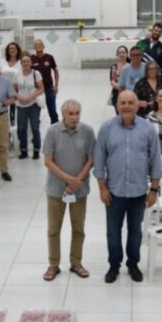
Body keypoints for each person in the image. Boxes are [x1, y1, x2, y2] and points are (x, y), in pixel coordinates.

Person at [94, 91, 162, 283]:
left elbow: (156, 159)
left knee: (135, 232)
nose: (126, 106)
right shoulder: (106, 128)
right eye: (122, 102)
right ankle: (114, 266)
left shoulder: (148, 129)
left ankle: (133, 264)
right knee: (113, 232)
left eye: (130, 103)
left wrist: (154, 189)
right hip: (114, 192)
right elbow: (99, 159)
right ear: (116, 105)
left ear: (137, 105)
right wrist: (102, 188)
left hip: (139, 191)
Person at [42, 100, 95, 281]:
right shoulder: (52, 132)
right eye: (70, 114)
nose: (74, 117)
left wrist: (77, 181)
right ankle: (53, 265)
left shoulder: (87, 132)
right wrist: (68, 179)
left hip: (79, 190)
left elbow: (91, 160)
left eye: (77, 113)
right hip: (56, 189)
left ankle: (76, 262)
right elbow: (48, 161)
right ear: (63, 114)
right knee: (53, 229)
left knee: (78, 228)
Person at [14, 55, 45, 160]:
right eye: (24, 61)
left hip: (34, 104)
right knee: (21, 128)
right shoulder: (17, 74)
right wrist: (19, 97)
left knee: (35, 127)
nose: (26, 63)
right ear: (21, 63)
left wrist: (30, 97)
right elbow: (13, 89)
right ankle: (23, 151)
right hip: (20, 104)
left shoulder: (36, 74)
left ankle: (36, 150)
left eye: (28, 61)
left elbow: (41, 89)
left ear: (31, 63)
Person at [30, 39, 61, 124]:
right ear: (33, 47)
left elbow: (56, 71)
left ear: (43, 46)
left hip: (48, 89)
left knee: (53, 112)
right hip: (37, 90)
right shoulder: (31, 58)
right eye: (36, 45)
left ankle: (55, 128)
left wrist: (56, 85)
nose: (38, 46)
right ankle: (35, 132)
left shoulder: (49, 57)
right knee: (35, 113)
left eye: (40, 44)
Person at [108, 45, 130, 110]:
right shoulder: (114, 67)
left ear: (126, 54)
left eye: (123, 52)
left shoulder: (131, 67)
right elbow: (112, 81)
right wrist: (121, 89)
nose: (122, 54)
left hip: (129, 93)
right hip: (116, 93)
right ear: (117, 54)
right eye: (120, 53)